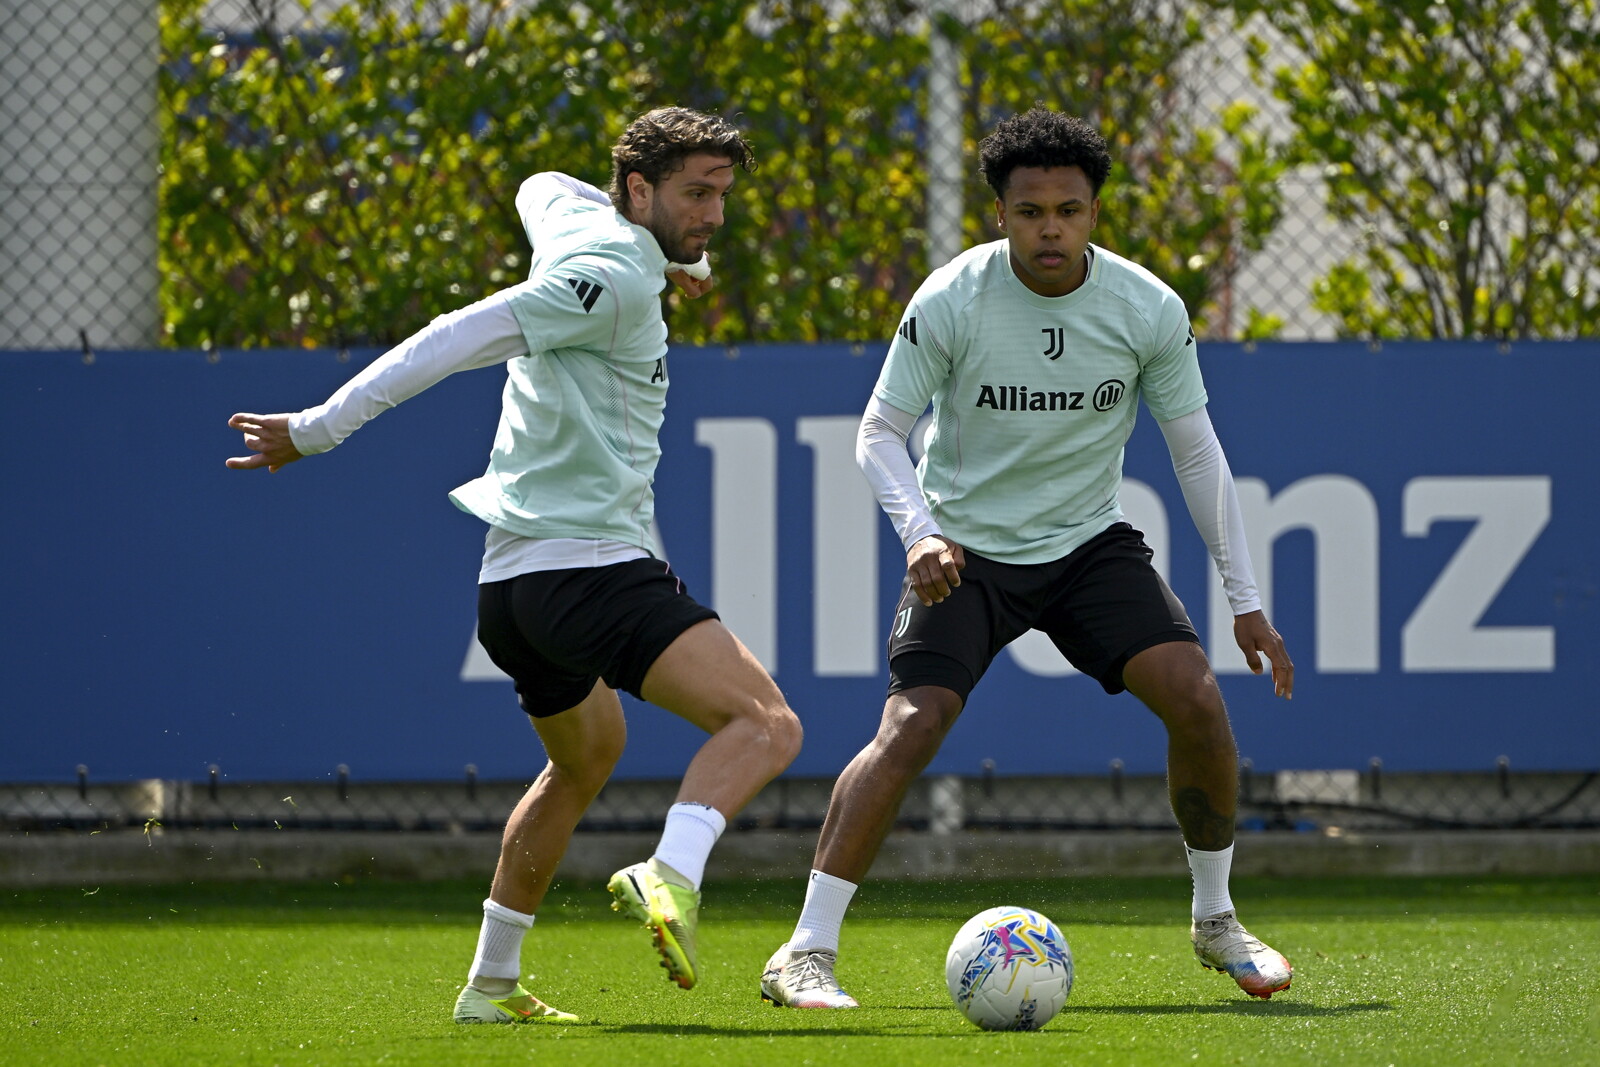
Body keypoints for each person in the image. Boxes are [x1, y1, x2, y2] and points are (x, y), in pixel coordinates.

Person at [226, 107, 802, 1023]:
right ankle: (671, 871)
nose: (715, 216)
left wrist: (681, 258)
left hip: (512, 591)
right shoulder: (610, 277)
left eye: (722, 195)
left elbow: (543, 185)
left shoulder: (580, 223)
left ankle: (490, 983)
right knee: (765, 724)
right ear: (639, 190)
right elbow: (455, 335)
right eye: (696, 194)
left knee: (587, 757)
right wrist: (318, 428)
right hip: (592, 571)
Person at [758, 108, 1295, 1009]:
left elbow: (1198, 455)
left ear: (1095, 214)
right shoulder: (952, 298)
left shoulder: (1147, 308)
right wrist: (920, 531)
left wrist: (1245, 600)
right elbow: (880, 432)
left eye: (1070, 211)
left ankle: (1216, 918)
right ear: (1000, 213)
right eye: (1031, 211)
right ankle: (804, 950)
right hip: (965, 549)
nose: (1051, 229)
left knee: (1198, 697)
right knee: (912, 725)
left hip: (1088, 547)